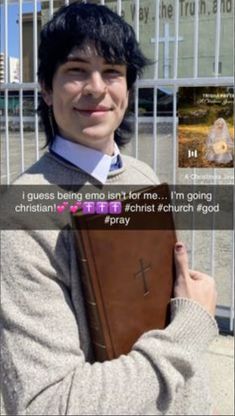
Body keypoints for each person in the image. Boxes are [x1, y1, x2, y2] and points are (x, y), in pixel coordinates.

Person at [1, 3, 218, 415]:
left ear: (129, 88)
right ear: (46, 88)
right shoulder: (21, 217)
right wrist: (192, 328)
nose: (97, 88)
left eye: (113, 71)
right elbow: (45, 404)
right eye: (77, 70)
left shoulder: (144, 175)